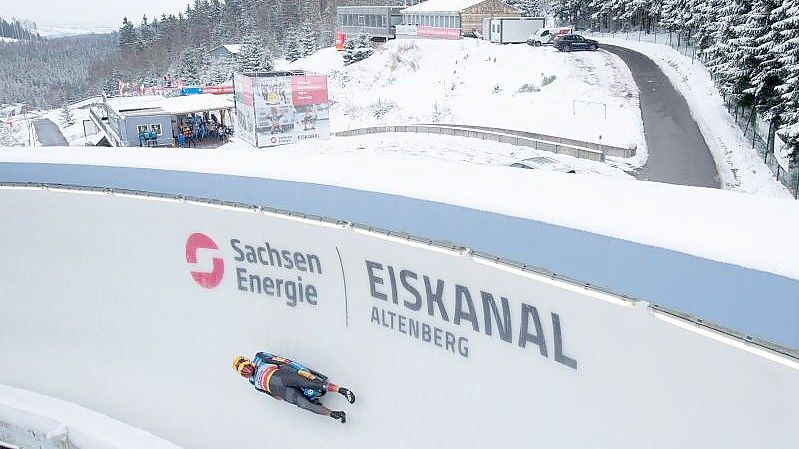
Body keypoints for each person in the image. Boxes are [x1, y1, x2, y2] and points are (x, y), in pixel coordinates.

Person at [233, 353, 355, 423]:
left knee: (311, 383)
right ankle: (335, 414)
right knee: (305, 405)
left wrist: (300, 370)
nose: (247, 372)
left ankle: (343, 390)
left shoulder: (260, 358)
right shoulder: (253, 383)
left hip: (284, 376)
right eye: (244, 373)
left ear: (248, 362)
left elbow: (283, 361)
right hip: (283, 392)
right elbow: (271, 394)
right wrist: (279, 396)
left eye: (246, 368)